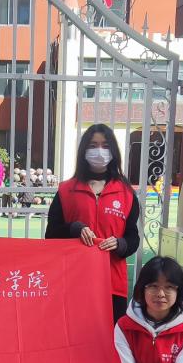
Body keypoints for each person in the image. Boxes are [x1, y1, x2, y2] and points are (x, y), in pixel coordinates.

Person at [45, 124, 140, 323]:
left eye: (105, 146)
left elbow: (133, 237)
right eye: (93, 145)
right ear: (84, 151)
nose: (99, 151)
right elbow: (51, 235)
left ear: (113, 151)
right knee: (73, 336)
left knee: (109, 338)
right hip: (73, 282)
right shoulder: (66, 190)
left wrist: (120, 244)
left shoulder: (126, 193)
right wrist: (74, 228)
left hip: (112, 283)